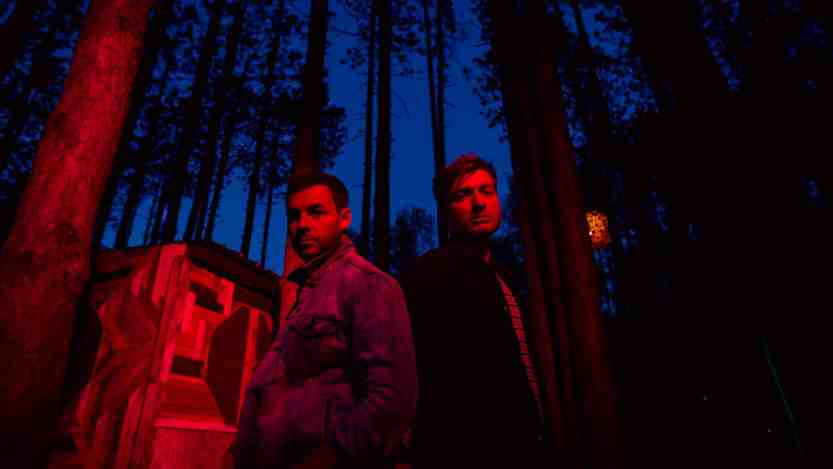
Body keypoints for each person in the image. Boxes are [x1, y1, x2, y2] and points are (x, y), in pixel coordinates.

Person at [235, 172, 418, 469]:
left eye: (316, 212)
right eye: (294, 216)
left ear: (344, 219)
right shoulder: (302, 293)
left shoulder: (369, 284)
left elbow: (392, 402)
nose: (302, 225)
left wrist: (328, 459)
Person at [400, 154, 546, 468]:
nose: (479, 203)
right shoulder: (428, 276)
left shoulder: (504, 276)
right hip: (466, 449)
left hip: (525, 443)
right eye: (463, 195)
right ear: (444, 212)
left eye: (486, 191)